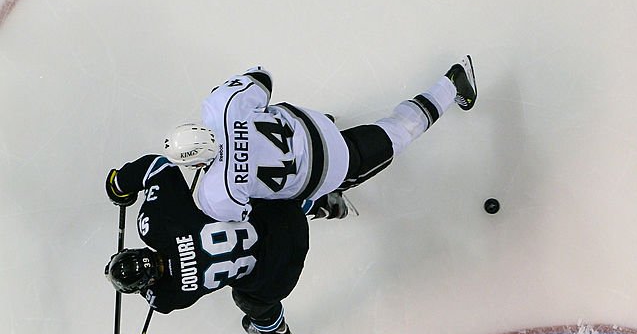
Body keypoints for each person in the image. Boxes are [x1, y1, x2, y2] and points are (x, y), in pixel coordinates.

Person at [164, 58, 477, 222]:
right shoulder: (221, 107)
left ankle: (452, 84)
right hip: (313, 124)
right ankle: (320, 195)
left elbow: (249, 220)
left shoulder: (216, 192)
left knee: (399, 132)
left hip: (335, 166)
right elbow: (262, 77)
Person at [103, 153, 308, 334]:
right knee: (235, 190)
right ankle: (315, 196)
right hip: (284, 217)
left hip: (279, 274)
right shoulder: (155, 225)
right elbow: (157, 167)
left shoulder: (167, 298)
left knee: (247, 298)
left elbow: (155, 294)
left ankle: (272, 328)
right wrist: (120, 185)